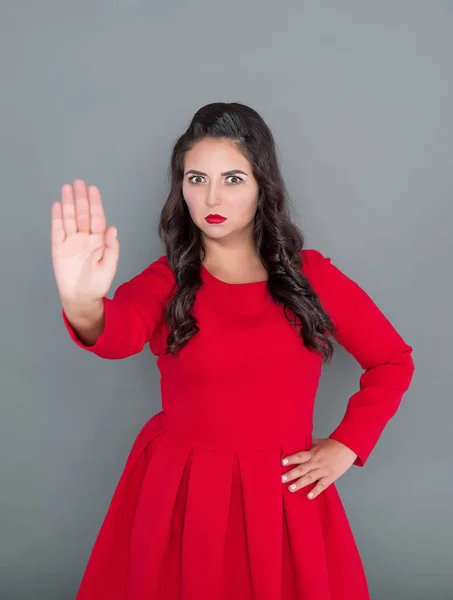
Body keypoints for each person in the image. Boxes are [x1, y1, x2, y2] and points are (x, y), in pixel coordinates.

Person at [51, 102, 415, 600]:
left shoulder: (311, 277)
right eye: (196, 179)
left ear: (263, 184)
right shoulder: (168, 279)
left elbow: (392, 361)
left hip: (282, 494)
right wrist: (82, 302)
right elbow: (119, 334)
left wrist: (347, 445)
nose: (212, 196)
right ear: (180, 188)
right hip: (179, 489)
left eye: (233, 179)